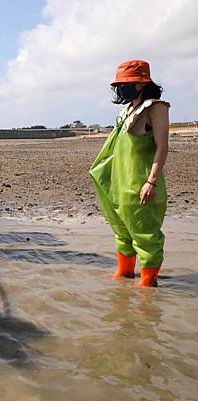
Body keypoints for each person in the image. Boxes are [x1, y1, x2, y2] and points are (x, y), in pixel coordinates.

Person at [90, 60, 170, 287]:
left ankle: (148, 284)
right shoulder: (126, 111)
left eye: (127, 83)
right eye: (119, 84)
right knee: (122, 233)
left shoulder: (156, 107)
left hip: (141, 185)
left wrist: (151, 181)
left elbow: (162, 146)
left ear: (142, 83)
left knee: (146, 236)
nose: (121, 88)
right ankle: (124, 274)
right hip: (120, 185)